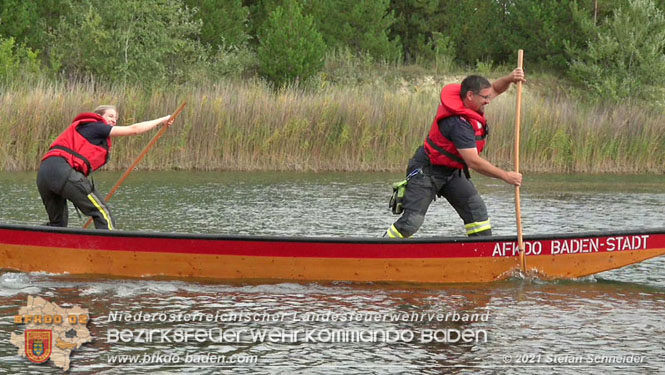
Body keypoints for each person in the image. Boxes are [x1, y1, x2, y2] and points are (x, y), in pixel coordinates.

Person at [385, 69, 525, 238]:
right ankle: (379, 253)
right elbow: (473, 162)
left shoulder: (472, 101)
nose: (488, 101)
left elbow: (495, 88)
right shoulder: (458, 124)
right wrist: (506, 176)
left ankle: (481, 255)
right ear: (471, 96)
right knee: (411, 222)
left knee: (477, 214)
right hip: (426, 171)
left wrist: (510, 78)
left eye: (488, 97)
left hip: (452, 173)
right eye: (485, 98)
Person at [37, 105, 172, 229]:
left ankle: (29, 244)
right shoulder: (95, 126)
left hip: (44, 173)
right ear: (99, 116)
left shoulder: (90, 129)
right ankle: (110, 250)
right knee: (102, 212)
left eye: (116, 118)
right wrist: (162, 120)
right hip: (61, 170)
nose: (114, 120)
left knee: (57, 225)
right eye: (110, 116)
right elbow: (134, 130)